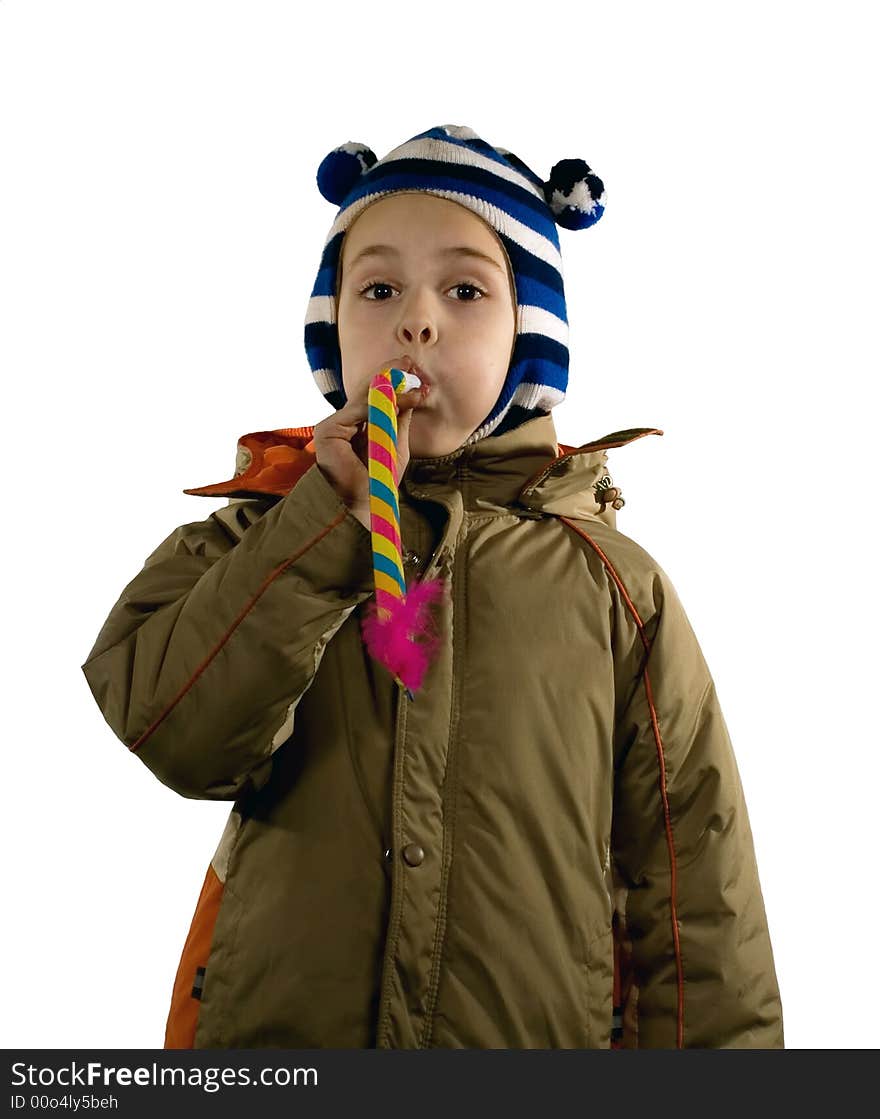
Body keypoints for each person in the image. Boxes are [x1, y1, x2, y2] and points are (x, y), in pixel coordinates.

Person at [80, 123, 784, 1049]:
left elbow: (697, 881)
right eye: (378, 288)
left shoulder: (615, 587)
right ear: (332, 330)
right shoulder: (263, 536)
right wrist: (321, 522)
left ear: (529, 341)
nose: (418, 319)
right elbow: (174, 731)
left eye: (465, 289)